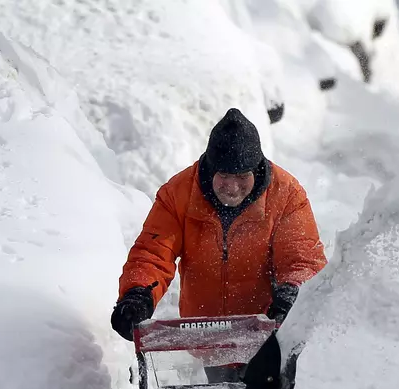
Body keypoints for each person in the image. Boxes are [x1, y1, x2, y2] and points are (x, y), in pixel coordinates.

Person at [110, 108, 327, 347]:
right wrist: (137, 294)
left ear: (256, 169)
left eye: (243, 176)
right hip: (205, 336)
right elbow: (153, 253)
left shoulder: (286, 195)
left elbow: (303, 260)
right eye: (224, 175)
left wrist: (291, 295)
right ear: (211, 168)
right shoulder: (179, 194)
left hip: (267, 336)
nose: (232, 187)